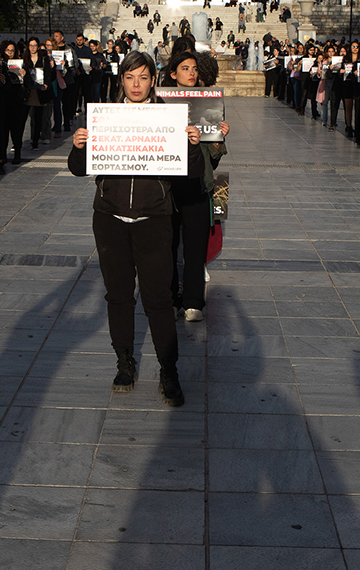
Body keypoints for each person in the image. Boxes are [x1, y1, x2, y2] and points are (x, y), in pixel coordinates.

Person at [69, 51, 200, 407]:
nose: (137, 84)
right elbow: (80, 169)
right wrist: (79, 147)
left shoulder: (168, 118)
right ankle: (124, 361)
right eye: (130, 78)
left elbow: (190, 172)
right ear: (122, 80)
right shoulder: (104, 116)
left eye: (143, 77)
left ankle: (168, 369)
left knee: (158, 299)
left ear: (153, 80)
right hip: (110, 217)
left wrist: (191, 147)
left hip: (154, 218)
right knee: (119, 295)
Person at [161, 48, 230, 321]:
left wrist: (218, 139)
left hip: (198, 182)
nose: (192, 73)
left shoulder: (208, 104)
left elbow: (213, 160)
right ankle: (170, 297)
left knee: (195, 245)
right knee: (167, 245)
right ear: (173, 74)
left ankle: (193, 302)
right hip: (167, 184)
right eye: (185, 68)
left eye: (194, 69)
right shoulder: (160, 103)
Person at [0, 40, 26, 169]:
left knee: (16, 128)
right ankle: (3, 154)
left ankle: (17, 152)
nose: (10, 53)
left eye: (12, 50)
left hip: (16, 99)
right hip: (3, 99)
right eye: (7, 50)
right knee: (3, 129)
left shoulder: (21, 63)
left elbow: (26, 82)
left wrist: (24, 75)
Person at [23, 37, 54, 151]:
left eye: (35, 45)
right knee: (26, 117)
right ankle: (21, 140)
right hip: (28, 91)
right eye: (30, 45)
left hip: (39, 91)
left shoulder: (44, 59)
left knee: (38, 117)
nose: (32, 47)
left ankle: (35, 140)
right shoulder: (24, 59)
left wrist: (46, 83)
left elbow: (49, 76)